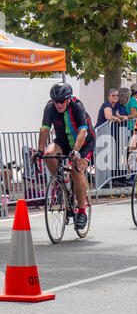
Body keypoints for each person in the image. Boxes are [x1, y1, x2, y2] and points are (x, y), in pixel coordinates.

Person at [34, 82, 95, 229]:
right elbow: (44, 129)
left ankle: (81, 211)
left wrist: (75, 150)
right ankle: (62, 181)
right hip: (63, 141)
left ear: (68, 99)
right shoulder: (50, 107)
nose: (59, 104)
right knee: (49, 154)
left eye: (62, 101)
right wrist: (39, 151)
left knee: (77, 171)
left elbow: (82, 131)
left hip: (84, 143)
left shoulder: (77, 106)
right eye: (56, 101)